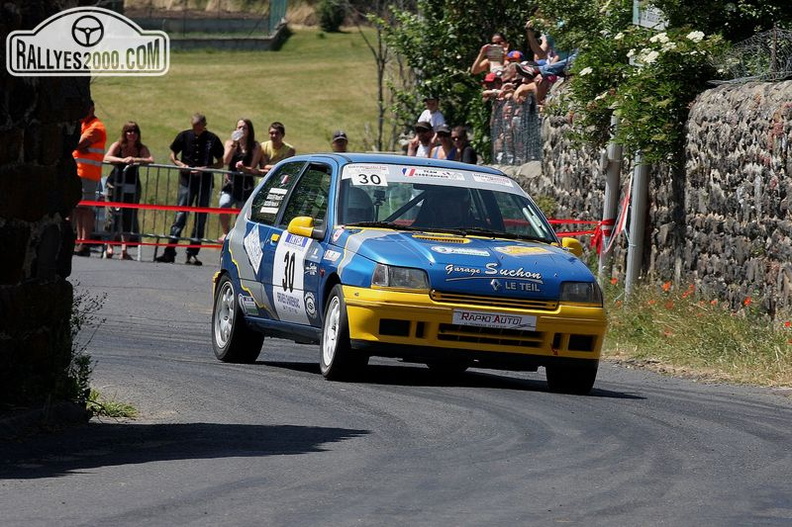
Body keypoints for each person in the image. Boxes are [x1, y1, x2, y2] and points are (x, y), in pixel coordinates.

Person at [155, 113, 224, 265]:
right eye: (194, 126)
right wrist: (181, 165)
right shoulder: (184, 136)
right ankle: (169, 251)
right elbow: (173, 154)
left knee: (200, 219)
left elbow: (221, 162)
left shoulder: (212, 139)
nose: (196, 129)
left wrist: (206, 168)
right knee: (180, 216)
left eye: (198, 126)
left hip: (204, 183)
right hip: (186, 181)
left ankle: (192, 253)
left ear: (204, 124)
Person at [103, 121, 154, 259]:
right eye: (129, 131)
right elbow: (106, 157)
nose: (132, 134)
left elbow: (150, 159)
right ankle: (109, 247)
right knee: (111, 216)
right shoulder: (118, 145)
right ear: (124, 133)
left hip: (132, 185)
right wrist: (123, 160)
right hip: (115, 184)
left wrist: (135, 159)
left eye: (134, 131)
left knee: (129, 216)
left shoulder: (140, 148)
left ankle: (124, 249)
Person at [71, 99, 107, 257]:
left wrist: (79, 146)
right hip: (79, 172)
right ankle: (79, 240)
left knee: (86, 209)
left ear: (92, 108)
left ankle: (85, 242)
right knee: (79, 209)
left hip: (88, 174)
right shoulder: (83, 125)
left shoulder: (96, 126)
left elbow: (77, 143)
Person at [218, 118, 261, 241]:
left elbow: (253, 166)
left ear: (249, 130)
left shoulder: (255, 146)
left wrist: (244, 168)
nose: (241, 130)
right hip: (231, 183)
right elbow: (226, 161)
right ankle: (225, 232)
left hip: (245, 185)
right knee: (223, 204)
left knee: (241, 213)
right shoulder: (230, 143)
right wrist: (234, 145)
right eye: (239, 127)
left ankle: (234, 236)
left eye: (244, 128)